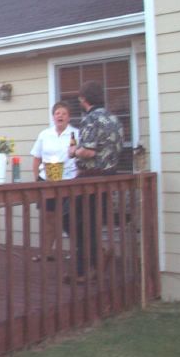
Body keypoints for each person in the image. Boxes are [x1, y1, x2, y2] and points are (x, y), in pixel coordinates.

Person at [67, 81, 123, 283]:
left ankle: (88, 267)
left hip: (90, 179)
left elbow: (88, 151)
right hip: (109, 178)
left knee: (76, 221)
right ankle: (92, 262)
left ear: (84, 99)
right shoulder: (113, 118)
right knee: (89, 223)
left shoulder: (91, 118)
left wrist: (74, 151)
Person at [30, 101, 79, 262]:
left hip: (68, 181)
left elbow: (80, 159)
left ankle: (76, 252)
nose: (60, 116)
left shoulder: (75, 134)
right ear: (53, 116)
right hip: (47, 181)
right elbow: (37, 158)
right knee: (47, 218)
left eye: (64, 113)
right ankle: (46, 253)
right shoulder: (45, 134)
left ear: (68, 117)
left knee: (70, 219)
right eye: (58, 113)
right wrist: (37, 179)